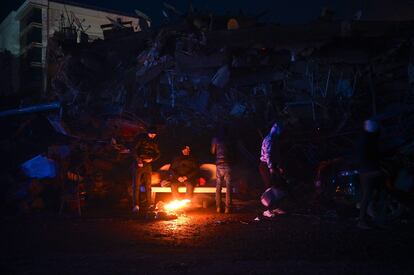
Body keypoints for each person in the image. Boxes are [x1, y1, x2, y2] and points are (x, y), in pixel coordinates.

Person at [357, 119, 386, 229]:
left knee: (368, 194)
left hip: (366, 171)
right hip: (369, 171)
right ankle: (362, 220)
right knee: (368, 195)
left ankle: (369, 217)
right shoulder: (369, 141)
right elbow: (371, 156)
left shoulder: (364, 139)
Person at [259, 122, 287, 217]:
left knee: (276, 186)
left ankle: (275, 208)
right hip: (266, 165)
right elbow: (268, 155)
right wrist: (271, 167)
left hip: (271, 165)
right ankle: (267, 210)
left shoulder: (274, 139)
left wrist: (278, 166)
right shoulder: (269, 139)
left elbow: (276, 154)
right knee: (269, 188)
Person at [131, 126, 160, 212]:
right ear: (148, 133)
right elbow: (134, 150)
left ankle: (150, 204)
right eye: (151, 134)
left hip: (148, 165)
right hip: (138, 165)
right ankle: (135, 205)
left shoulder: (154, 142)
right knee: (136, 185)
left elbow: (158, 153)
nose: (153, 135)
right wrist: (138, 160)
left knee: (148, 185)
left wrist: (152, 159)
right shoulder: (141, 139)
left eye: (154, 134)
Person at [211, 126, 233, 213]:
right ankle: (227, 208)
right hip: (227, 164)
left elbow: (213, 152)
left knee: (218, 186)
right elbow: (232, 152)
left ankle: (218, 207)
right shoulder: (229, 139)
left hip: (219, 164)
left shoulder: (215, 139)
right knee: (228, 186)